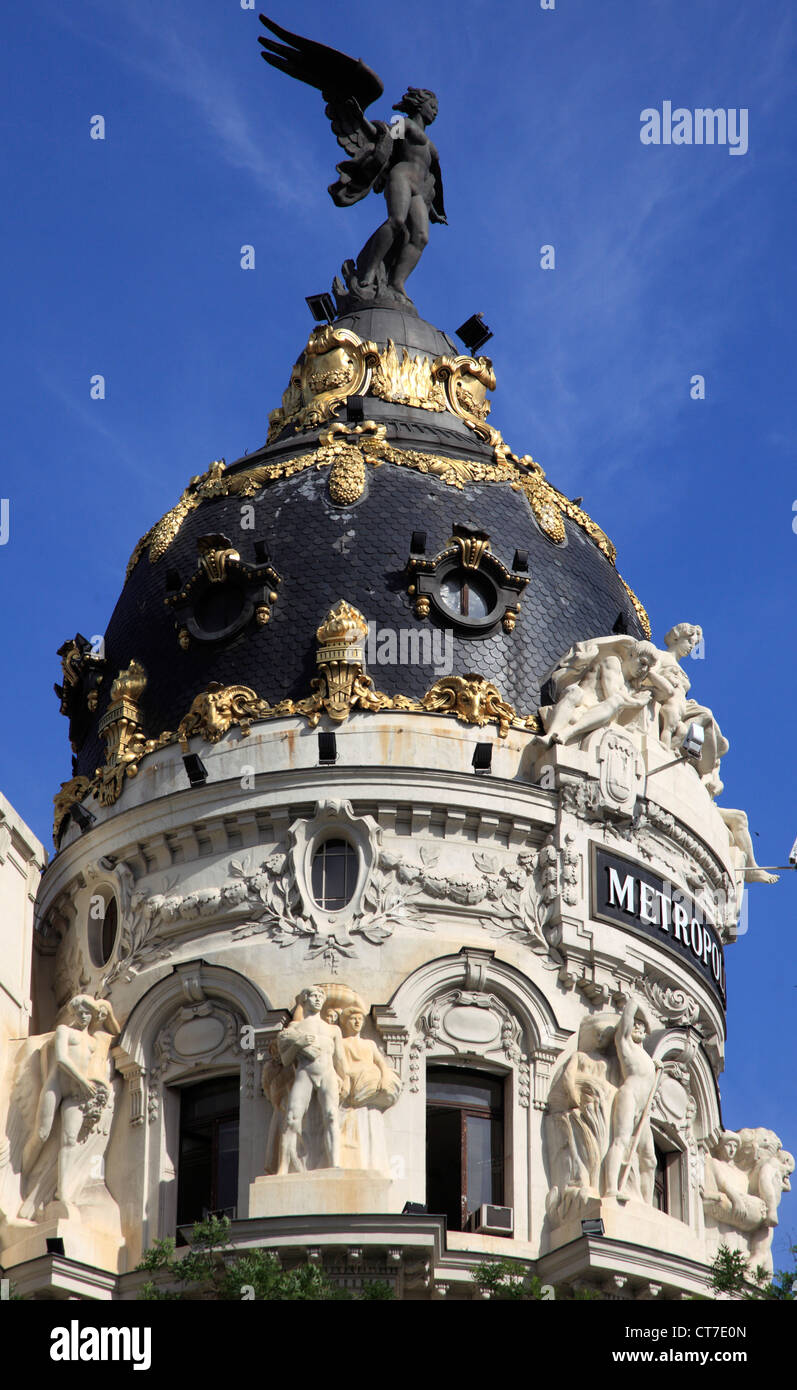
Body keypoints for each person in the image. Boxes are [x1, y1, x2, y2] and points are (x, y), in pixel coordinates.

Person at [276, 986, 348, 1174]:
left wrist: (345, 1078)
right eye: (313, 996)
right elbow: (285, 1060)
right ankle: (282, 1168)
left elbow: (339, 1058)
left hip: (328, 1074)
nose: (317, 1000)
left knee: (332, 1116)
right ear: (304, 1000)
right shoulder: (295, 1028)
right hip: (304, 1073)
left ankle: (335, 1163)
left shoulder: (333, 1030)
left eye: (320, 997)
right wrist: (299, 1043)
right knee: (292, 1118)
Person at [602, 998, 658, 1204]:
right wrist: (648, 1020)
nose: (637, 1026)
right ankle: (610, 1188)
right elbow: (631, 1005)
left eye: (640, 1025)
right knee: (621, 1141)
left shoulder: (647, 1057)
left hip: (643, 1110)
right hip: (629, 1097)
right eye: (635, 1024)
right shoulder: (625, 1044)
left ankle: (646, 1203)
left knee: (650, 1160)